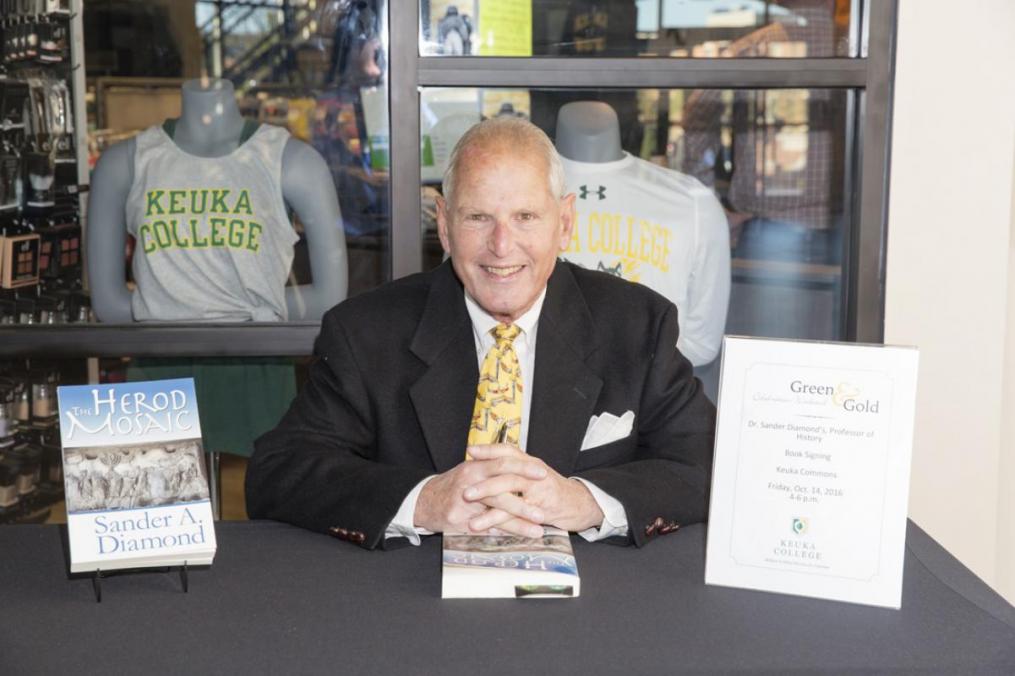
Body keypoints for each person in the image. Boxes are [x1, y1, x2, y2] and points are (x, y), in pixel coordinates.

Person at [246, 117, 716, 549]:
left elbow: (709, 465)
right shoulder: (365, 332)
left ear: (565, 223)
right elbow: (279, 471)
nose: (501, 246)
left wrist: (585, 501)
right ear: (445, 226)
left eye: (525, 217)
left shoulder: (637, 325)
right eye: (478, 218)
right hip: (414, 609)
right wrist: (424, 502)